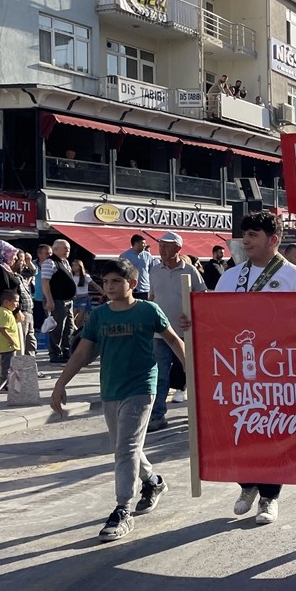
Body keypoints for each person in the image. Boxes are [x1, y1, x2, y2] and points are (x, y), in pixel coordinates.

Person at [51, 258, 184, 542]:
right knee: (125, 447)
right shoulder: (100, 316)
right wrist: (60, 384)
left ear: (132, 284)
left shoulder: (148, 310)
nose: (109, 287)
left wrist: (192, 372)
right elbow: (83, 352)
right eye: (107, 282)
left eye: (116, 282)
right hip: (111, 389)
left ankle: (123, 509)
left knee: (125, 448)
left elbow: (173, 340)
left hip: (141, 388)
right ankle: (153, 482)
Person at [207, 212, 296, 525]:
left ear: (273, 240)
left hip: (278, 371)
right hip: (236, 368)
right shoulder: (230, 276)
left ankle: (270, 497)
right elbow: (214, 318)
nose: (246, 241)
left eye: (253, 235)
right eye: (245, 234)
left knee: (271, 431)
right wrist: (193, 322)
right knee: (240, 429)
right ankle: (247, 484)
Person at [147, 232, 206, 432]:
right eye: (160, 245)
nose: (162, 250)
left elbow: (202, 297)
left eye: (167, 246)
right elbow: (152, 297)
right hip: (160, 333)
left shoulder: (190, 271)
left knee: (192, 374)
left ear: (178, 249)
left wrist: (193, 316)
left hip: (185, 332)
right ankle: (157, 416)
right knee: (160, 375)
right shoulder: (154, 271)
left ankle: (197, 415)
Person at [41, 239, 77, 364]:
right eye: (65, 248)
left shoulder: (65, 262)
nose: (68, 250)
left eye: (68, 248)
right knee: (57, 329)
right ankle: (55, 353)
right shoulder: (50, 262)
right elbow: (45, 282)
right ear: (56, 249)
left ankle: (66, 351)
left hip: (68, 301)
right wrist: (49, 300)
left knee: (69, 328)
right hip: (57, 300)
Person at [0, 289, 22, 389]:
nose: (17, 304)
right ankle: (3, 384)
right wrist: (10, 339)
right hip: (7, 346)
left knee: (10, 365)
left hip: (10, 346)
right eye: (16, 301)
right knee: (6, 366)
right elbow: (2, 328)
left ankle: (8, 382)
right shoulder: (4, 313)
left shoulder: (8, 312)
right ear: (6, 302)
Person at [119, 234, 153, 299]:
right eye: (143, 243)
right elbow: (121, 273)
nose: (145, 245)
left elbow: (152, 271)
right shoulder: (125, 256)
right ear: (136, 243)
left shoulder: (148, 256)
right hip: (130, 289)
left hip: (145, 290)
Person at [31, 244, 51, 336]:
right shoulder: (32, 264)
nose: (49, 255)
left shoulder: (53, 265)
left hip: (49, 298)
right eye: (47, 253)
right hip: (35, 298)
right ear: (39, 254)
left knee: (48, 323)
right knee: (36, 324)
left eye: (50, 253)